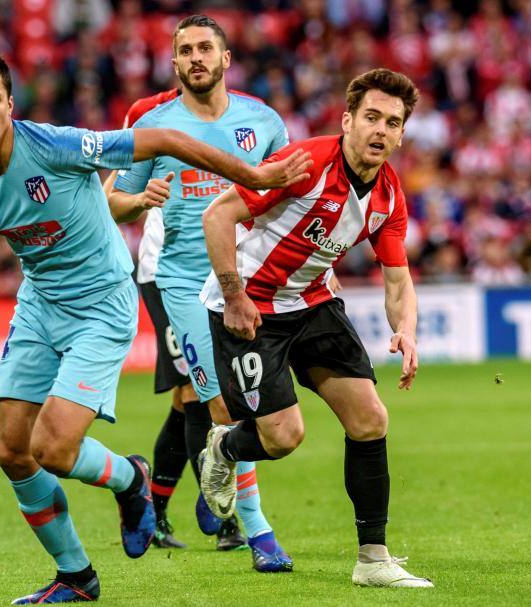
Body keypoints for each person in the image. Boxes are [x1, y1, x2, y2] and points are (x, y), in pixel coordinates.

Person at [0, 45, 311, 605]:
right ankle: (76, 578)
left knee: (55, 449)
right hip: (38, 304)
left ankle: (133, 480)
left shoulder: (56, 145)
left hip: (103, 302)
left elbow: (160, 141)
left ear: (10, 103)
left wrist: (252, 174)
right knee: (13, 453)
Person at [199, 68, 434, 588]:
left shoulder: (390, 196)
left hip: (313, 302)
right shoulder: (304, 164)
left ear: (400, 135)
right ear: (347, 120)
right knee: (283, 438)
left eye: (392, 123)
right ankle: (225, 447)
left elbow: (398, 280)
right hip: (249, 307)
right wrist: (235, 296)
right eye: (371, 117)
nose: (380, 131)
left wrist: (407, 330)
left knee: (371, 418)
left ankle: (373, 560)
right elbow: (217, 216)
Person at [109, 15, 298, 573]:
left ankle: (206, 479)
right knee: (216, 402)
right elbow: (110, 201)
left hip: (244, 285)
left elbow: (287, 195)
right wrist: (142, 199)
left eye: (205, 48)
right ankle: (258, 532)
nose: (196, 57)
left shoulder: (262, 121)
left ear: (225, 58)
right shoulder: (153, 124)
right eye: (185, 50)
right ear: (173, 64)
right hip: (182, 286)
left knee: (256, 414)